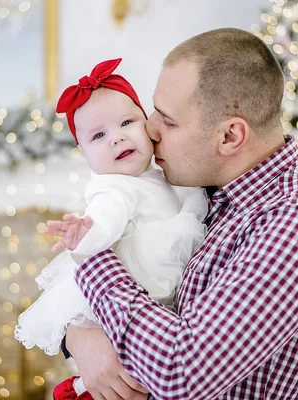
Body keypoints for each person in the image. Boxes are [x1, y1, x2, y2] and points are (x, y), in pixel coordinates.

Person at [62, 28, 298, 400]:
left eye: (168, 120)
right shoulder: (204, 186)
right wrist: (78, 335)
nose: (149, 129)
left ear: (229, 137)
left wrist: (92, 261)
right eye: (152, 109)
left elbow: (180, 374)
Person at [14, 58, 207, 400]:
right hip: (129, 294)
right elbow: (108, 217)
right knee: (123, 369)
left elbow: (190, 201)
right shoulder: (113, 187)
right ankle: (80, 391)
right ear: (83, 152)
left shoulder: (159, 174)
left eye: (127, 123)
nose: (116, 138)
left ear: (147, 122)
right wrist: (88, 234)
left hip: (149, 301)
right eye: (99, 135)